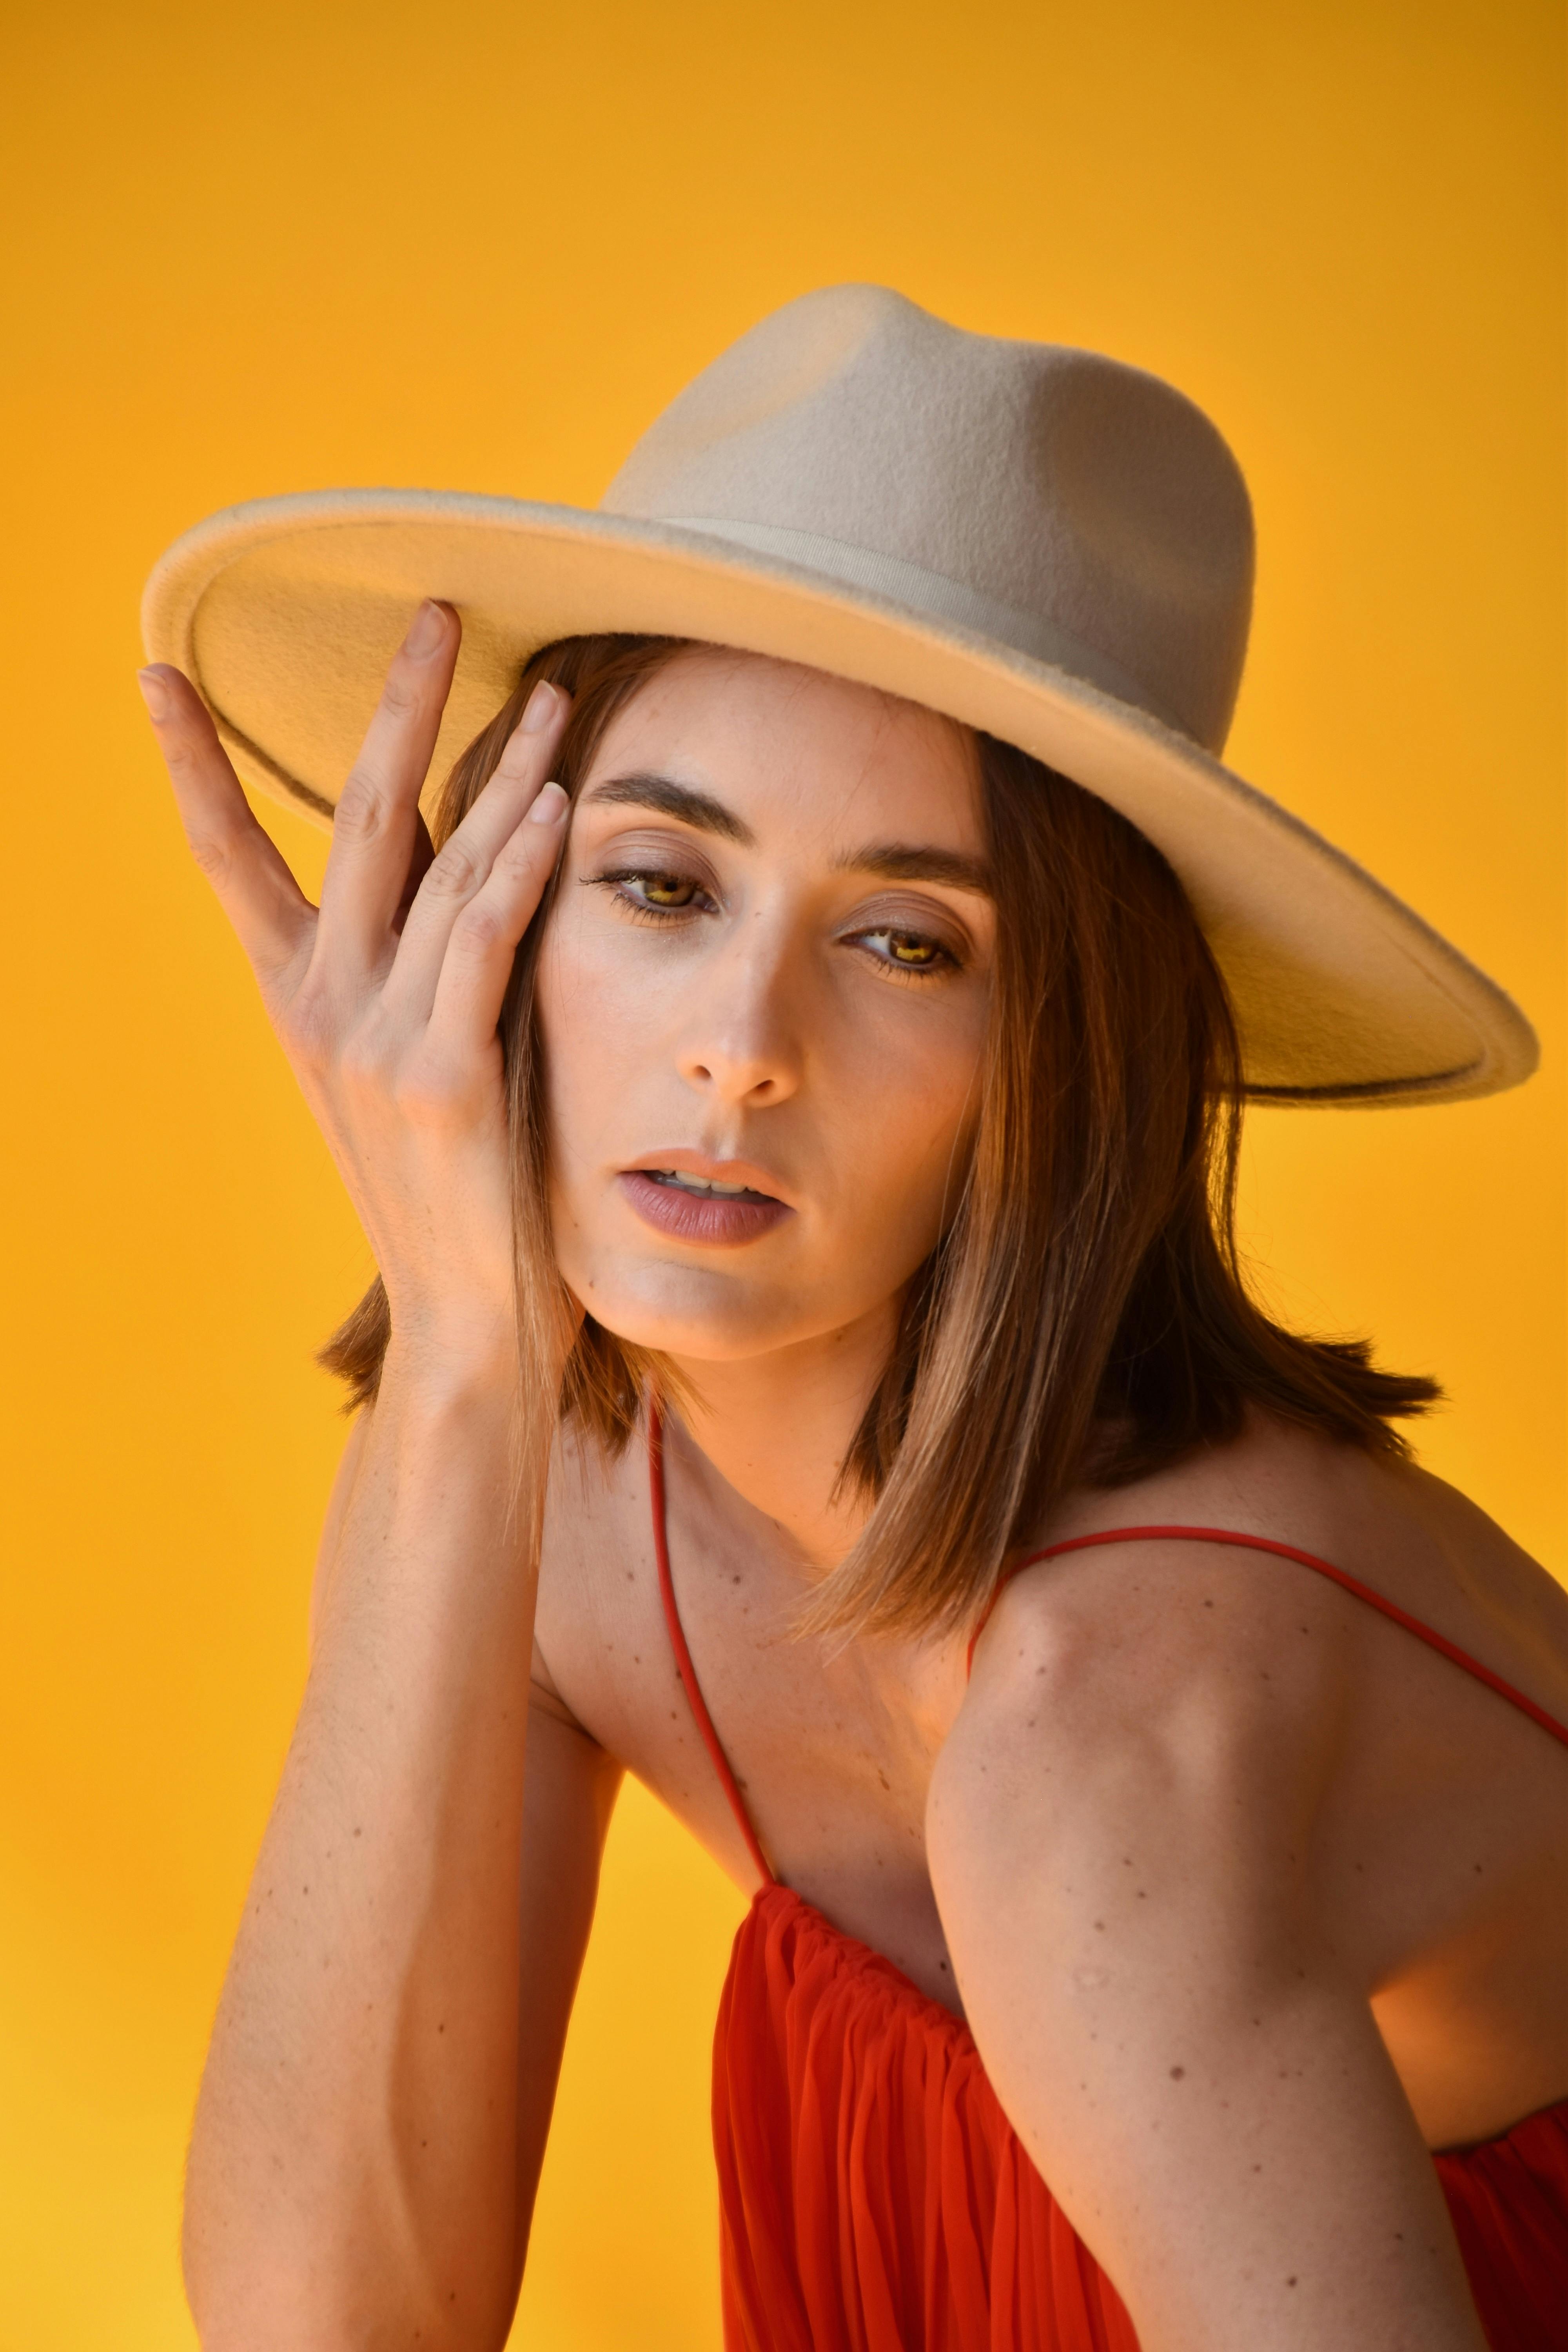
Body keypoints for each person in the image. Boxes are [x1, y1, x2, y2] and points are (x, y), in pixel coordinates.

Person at [139, 288, 1567, 2352]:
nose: (740, 1051)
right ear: (496, 918)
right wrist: (460, 1352)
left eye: (905, 940)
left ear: (1066, 1057)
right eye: (658, 884)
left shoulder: (1105, 1729)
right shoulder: (554, 1487)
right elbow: (325, 2325)